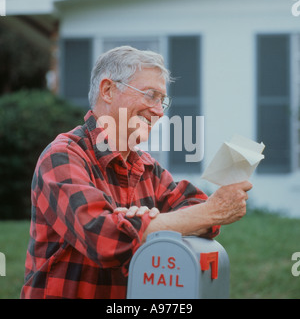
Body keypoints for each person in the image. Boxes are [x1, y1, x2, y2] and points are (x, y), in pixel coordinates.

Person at [20, 46, 252, 299]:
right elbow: (104, 239)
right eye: (150, 95)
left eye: (162, 100)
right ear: (108, 91)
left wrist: (144, 224)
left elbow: (197, 208)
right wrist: (204, 214)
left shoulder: (147, 167)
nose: (160, 111)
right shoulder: (63, 155)